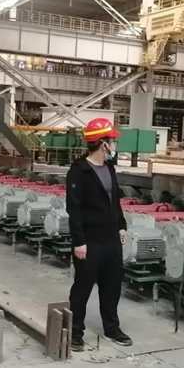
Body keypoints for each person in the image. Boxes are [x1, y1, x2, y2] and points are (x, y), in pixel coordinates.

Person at [66, 118, 132, 352]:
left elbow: (114, 201)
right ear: (103, 143)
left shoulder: (109, 168)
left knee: (112, 285)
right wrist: (79, 241)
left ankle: (112, 328)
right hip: (89, 240)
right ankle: (75, 332)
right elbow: (73, 209)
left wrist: (121, 225)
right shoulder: (79, 171)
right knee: (83, 286)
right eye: (112, 140)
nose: (114, 144)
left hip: (111, 238)